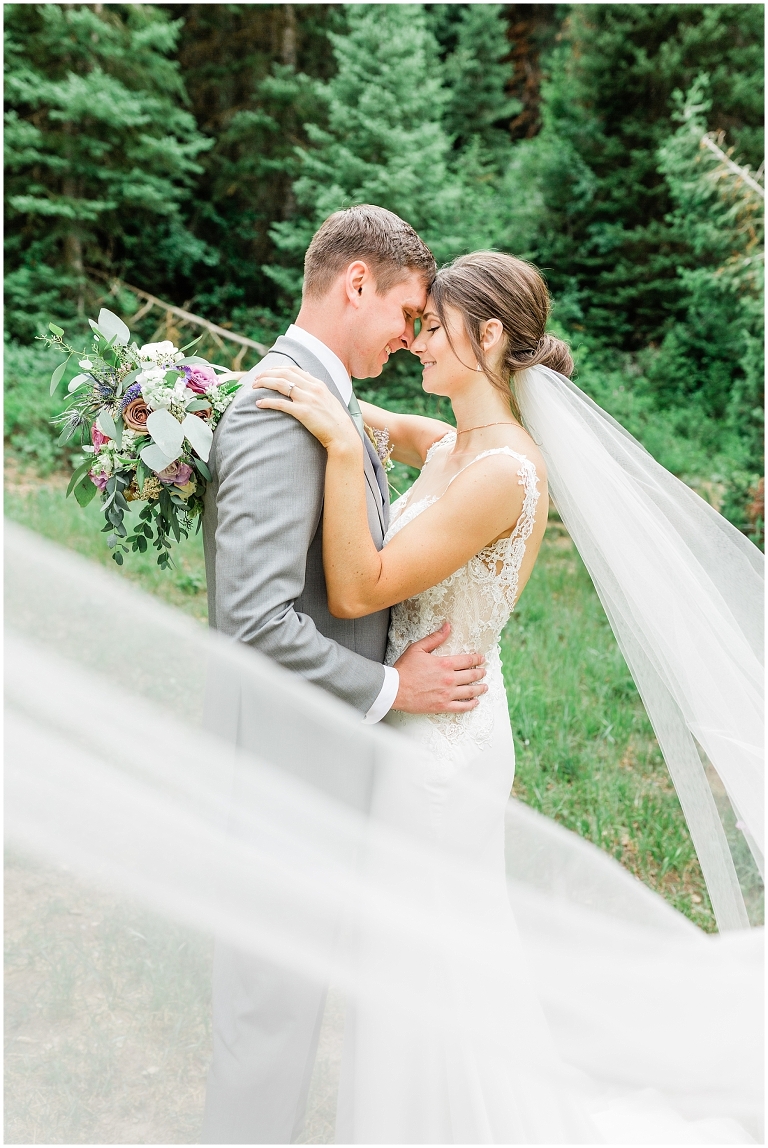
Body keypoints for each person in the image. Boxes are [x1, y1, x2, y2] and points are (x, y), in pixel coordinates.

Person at [255, 249, 763, 1142]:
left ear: (488, 336)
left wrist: (339, 448)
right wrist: (222, 383)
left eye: (433, 328)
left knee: (429, 959)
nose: (414, 342)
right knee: (416, 957)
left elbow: (361, 588)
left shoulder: (504, 473)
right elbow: (374, 415)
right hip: (425, 725)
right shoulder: (457, 445)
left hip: (441, 749)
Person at [201, 206, 489, 1144]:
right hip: (284, 768)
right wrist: (393, 691)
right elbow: (253, 617)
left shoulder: (326, 398)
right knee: (268, 1021)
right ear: (355, 284)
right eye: (407, 312)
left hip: (324, 764)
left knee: (303, 1011)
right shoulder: (280, 407)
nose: (411, 338)